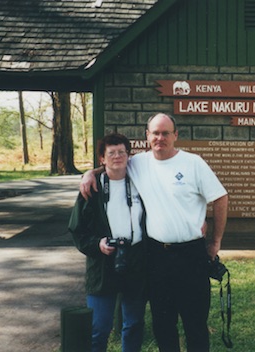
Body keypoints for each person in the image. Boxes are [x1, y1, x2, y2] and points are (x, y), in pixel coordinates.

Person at [80, 112, 229, 352]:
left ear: (175, 136)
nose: (160, 138)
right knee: (163, 324)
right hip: (157, 256)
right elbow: (114, 164)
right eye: (155, 133)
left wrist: (215, 241)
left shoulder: (193, 163)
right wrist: (90, 173)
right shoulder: (139, 163)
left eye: (166, 133)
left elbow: (220, 198)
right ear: (147, 136)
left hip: (191, 255)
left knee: (195, 323)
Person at [69, 133, 147, 352]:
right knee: (99, 327)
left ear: (129, 155)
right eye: (111, 153)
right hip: (103, 265)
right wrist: (97, 245)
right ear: (101, 159)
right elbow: (77, 229)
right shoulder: (91, 189)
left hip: (135, 261)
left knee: (133, 324)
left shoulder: (141, 183)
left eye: (122, 152)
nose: (117, 157)